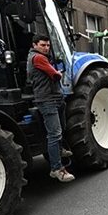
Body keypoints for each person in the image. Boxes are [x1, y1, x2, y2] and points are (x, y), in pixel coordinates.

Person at [27, 35, 75, 182]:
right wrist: (59, 73)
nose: (46, 48)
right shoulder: (38, 58)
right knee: (54, 133)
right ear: (35, 45)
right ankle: (57, 169)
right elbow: (55, 75)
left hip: (55, 98)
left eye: (48, 45)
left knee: (61, 127)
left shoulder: (39, 57)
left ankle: (59, 150)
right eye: (43, 45)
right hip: (47, 100)